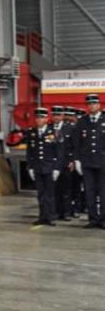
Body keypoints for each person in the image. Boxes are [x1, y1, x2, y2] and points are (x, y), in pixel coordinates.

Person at [73, 94, 105, 229]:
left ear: (99, 105)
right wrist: (77, 160)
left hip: (103, 161)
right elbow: (76, 142)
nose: (92, 106)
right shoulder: (82, 121)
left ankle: (103, 219)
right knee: (89, 191)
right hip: (87, 162)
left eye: (94, 104)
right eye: (89, 104)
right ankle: (93, 219)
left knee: (103, 192)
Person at [26, 107, 59, 226]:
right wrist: (30, 167)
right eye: (37, 117)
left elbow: (57, 151)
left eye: (41, 117)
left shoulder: (53, 132)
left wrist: (56, 168)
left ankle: (49, 216)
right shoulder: (32, 132)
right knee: (40, 193)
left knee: (49, 194)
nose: (39, 120)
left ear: (46, 119)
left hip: (49, 166)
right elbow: (30, 151)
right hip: (37, 167)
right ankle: (42, 216)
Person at [50, 106, 72, 221]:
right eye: (54, 115)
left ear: (62, 116)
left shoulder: (69, 128)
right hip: (52, 165)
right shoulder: (48, 129)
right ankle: (55, 212)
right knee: (53, 190)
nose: (56, 117)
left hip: (65, 163)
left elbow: (74, 146)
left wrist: (72, 160)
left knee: (66, 190)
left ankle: (66, 213)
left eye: (58, 115)